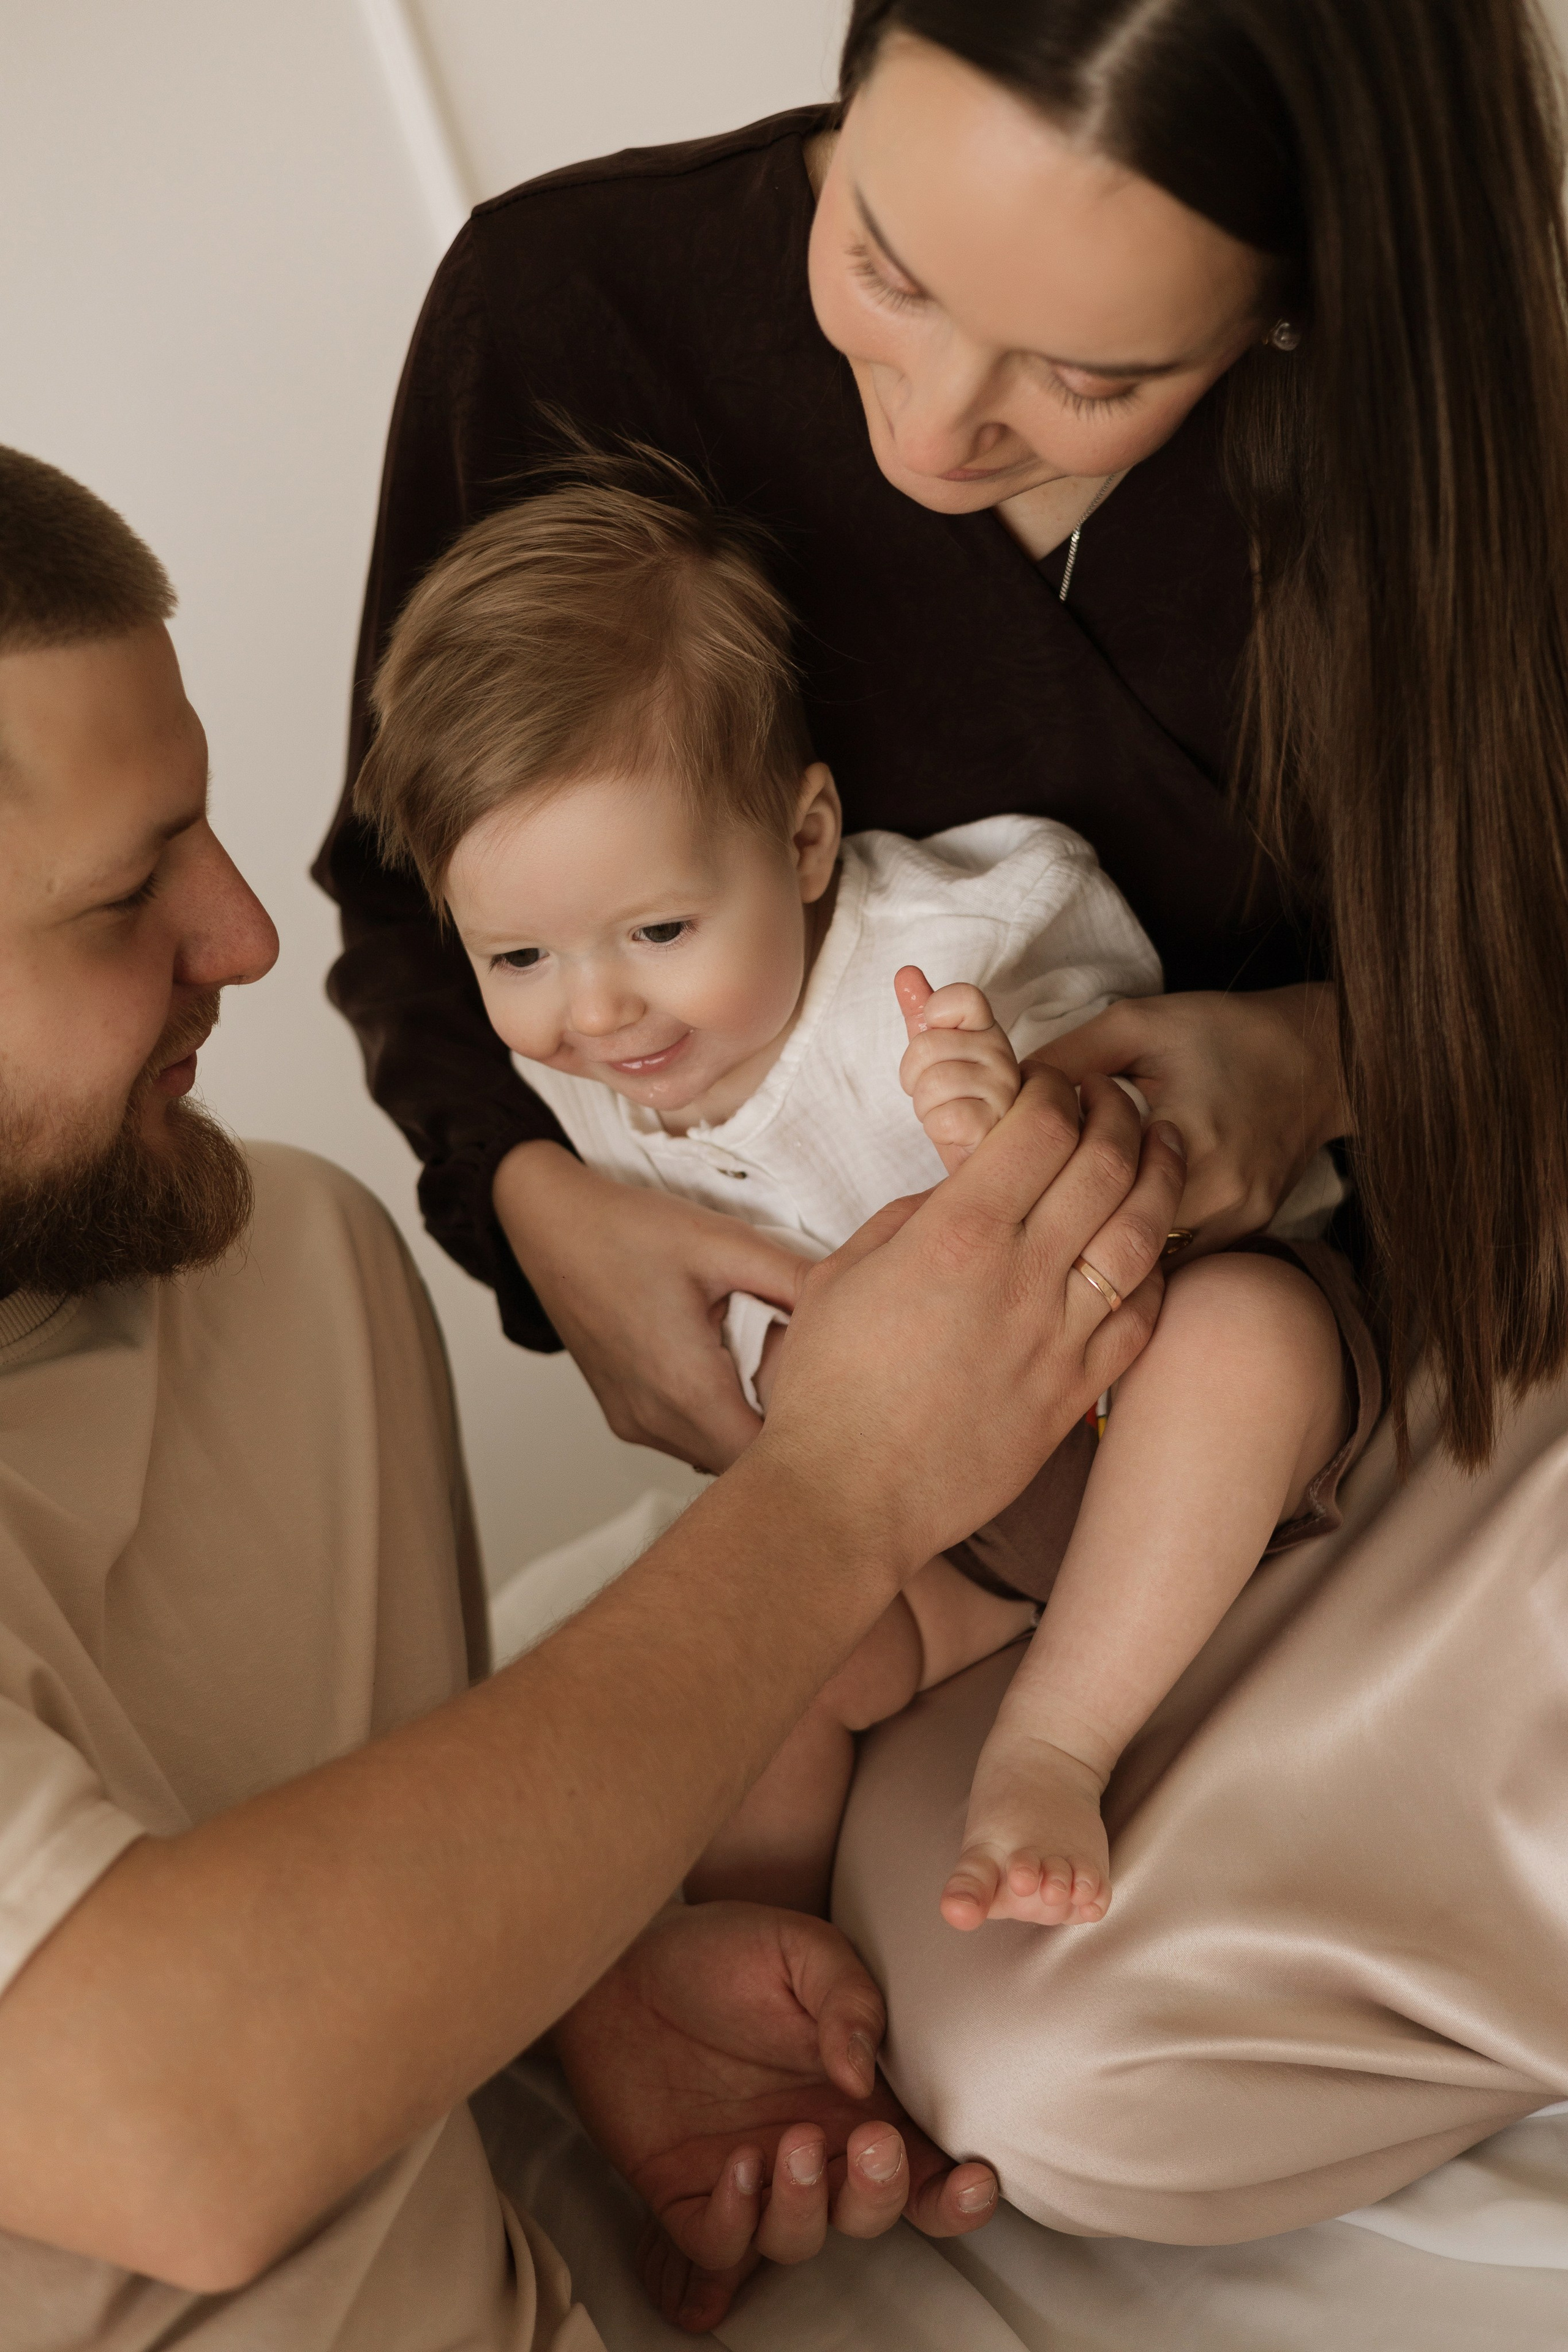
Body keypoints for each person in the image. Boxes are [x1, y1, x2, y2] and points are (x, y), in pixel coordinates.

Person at [317, 0, 1568, 2263]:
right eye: (883, 262)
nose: (931, 430)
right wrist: (543, 1207)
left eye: (1093, 377)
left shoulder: (1475, 430)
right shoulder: (570, 318)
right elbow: (421, 909)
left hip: (1434, 1328)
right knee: (1038, 2076)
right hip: (980, 1527)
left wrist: (1323, 1050)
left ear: (1306, 302)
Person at [0, 445, 1183, 2345]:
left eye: (208, 831)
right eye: (126, 891)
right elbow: (174, 2122)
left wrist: (578, 1989)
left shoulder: (284, 1270)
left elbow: (316, 1893)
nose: (249, 936)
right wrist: (840, 1486)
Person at [354, 462, 1374, 1932]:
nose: (598, 1014)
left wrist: (1024, 1113)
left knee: (1246, 1340)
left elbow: (1178, 1149)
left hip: (1136, 1405)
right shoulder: (581, 1089)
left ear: (806, 839)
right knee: (756, 1679)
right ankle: (760, 1960)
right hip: (944, 1538)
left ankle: (1051, 1744)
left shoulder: (951, 949)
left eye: (656, 928)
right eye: (518, 959)